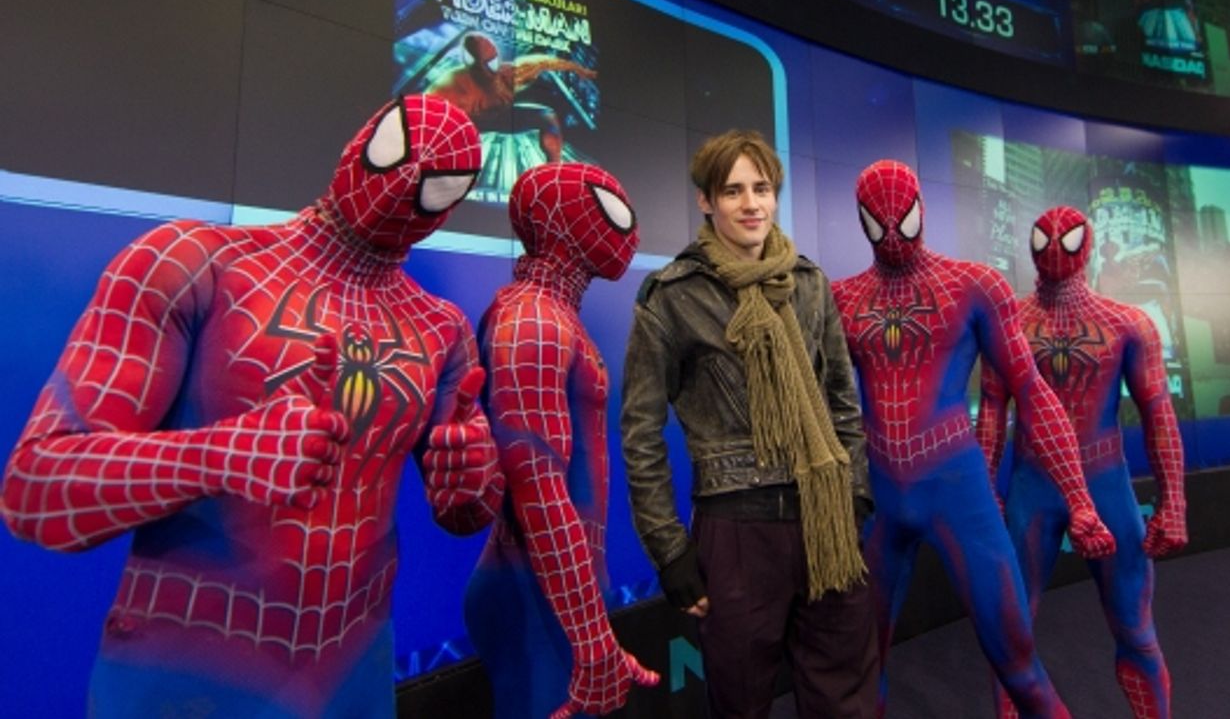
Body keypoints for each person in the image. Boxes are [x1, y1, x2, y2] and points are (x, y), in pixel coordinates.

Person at [0, 94, 503, 718]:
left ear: (449, 206)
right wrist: (220, 454)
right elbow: (37, 487)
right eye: (392, 153)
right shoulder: (191, 264)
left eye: (435, 183)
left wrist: (470, 476)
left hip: (356, 682)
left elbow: (463, 513)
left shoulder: (441, 327)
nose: (402, 182)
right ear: (359, 143)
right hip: (181, 685)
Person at [831, 160, 1116, 719]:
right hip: (878, 496)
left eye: (903, 221)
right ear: (861, 219)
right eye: (878, 223)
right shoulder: (839, 298)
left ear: (921, 210)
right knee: (862, 670)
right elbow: (825, 411)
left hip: (956, 489)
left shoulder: (972, 285)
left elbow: (1031, 391)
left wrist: (1080, 501)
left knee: (1018, 661)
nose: (892, 235)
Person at [620, 130, 878, 719]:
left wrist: (855, 496)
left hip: (827, 525)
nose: (751, 204)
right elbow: (641, 432)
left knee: (846, 698)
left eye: (761, 188)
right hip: (736, 531)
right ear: (706, 202)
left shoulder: (810, 284)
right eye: (732, 191)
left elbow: (842, 397)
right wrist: (668, 550)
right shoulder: (673, 295)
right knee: (741, 700)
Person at [977, 205, 1187, 719]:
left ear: (1087, 247)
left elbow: (1159, 412)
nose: (1052, 251)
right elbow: (990, 410)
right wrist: (983, 486)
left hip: (1103, 483)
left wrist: (1175, 501)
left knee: (1135, 628)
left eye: (1065, 242)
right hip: (1036, 485)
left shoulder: (1127, 323)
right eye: (1043, 240)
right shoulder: (1010, 324)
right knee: (1013, 636)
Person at [465, 162, 659, 718]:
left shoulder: (547, 314)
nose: (631, 234)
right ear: (567, 220)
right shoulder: (536, 321)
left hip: (548, 594)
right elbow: (538, 487)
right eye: (614, 213)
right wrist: (592, 640)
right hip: (535, 596)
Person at [425, 30, 595, 163]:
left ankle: (554, 170)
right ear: (471, 65)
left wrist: (581, 70)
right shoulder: (451, 85)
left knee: (547, 116)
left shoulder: (513, 74)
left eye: (491, 64)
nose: (487, 72)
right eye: (482, 66)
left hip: (500, 119)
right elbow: (420, 116)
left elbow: (548, 61)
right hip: (463, 127)